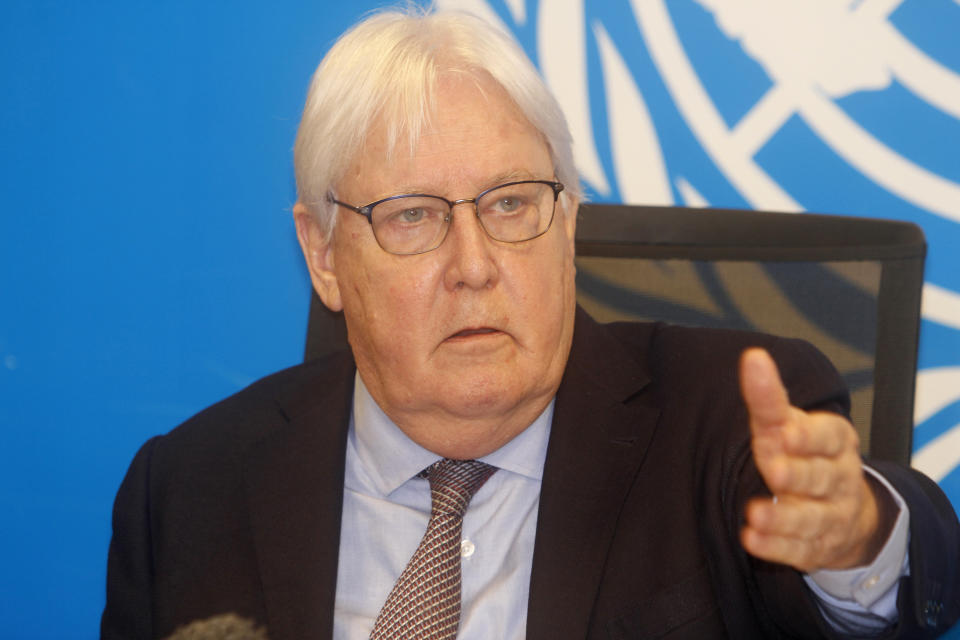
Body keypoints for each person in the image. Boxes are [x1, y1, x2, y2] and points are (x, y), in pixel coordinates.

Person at [101, 7, 959, 640]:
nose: (474, 264)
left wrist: (858, 540)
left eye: (511, 204)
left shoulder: (722, 428)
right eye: (412, 216)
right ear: (324, 254)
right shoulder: (188, 491)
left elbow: (900, 554)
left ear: (569, 221)